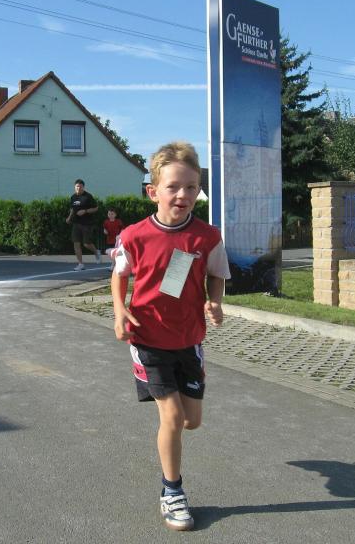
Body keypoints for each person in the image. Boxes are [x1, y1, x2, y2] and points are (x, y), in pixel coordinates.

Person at [111, 142, 230, 531]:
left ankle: (172, 426)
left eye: (191, 187)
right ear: (153, 191)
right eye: (173, 187)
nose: (183, 195)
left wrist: (215, 302)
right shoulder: (134, 236)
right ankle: (172, 491)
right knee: (174, 417)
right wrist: (120, 309)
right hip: (148, 339)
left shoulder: (207, 237)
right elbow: (119, 275)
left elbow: (216, 275)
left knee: (191, 421)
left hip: (189, 339)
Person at [65, 179, 101, 271]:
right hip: (76, 223)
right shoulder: (73, 197)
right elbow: (72, 209)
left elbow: (96, 208)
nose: (78, 188)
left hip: (87, 224)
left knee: (86, 244)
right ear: (74, 187)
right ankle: (80, 264)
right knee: (76, 243)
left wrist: (85, 211)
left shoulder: (88, 196)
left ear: (83, 187)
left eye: (80, 187)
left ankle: (96, 252)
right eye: (77, 186)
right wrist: (69, 217)